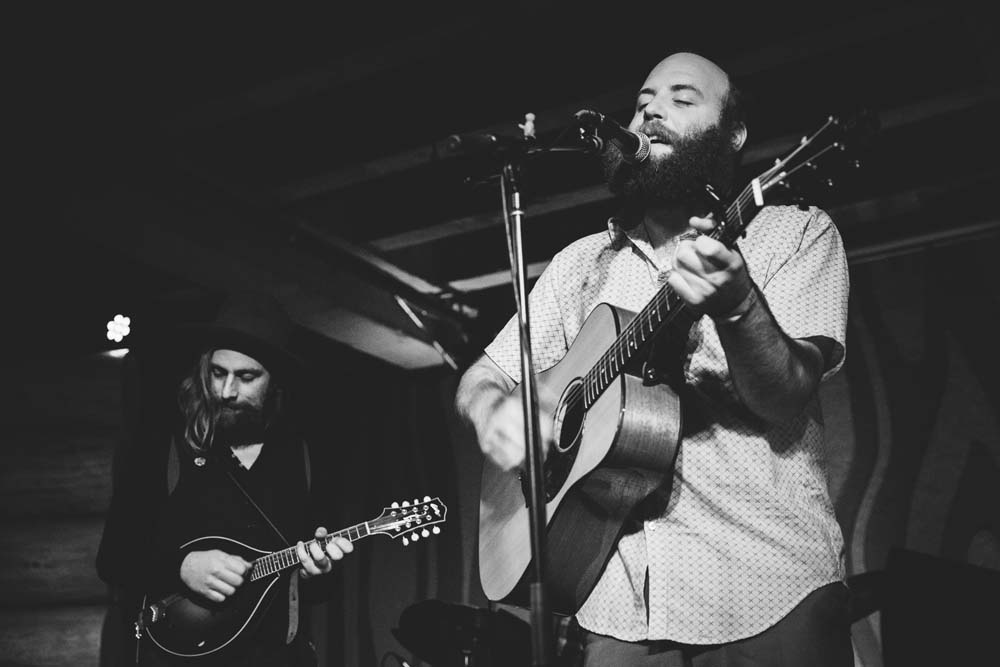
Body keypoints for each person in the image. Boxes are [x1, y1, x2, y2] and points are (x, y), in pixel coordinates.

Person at [455, 52, 853, 666]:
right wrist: (494, 415)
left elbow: (786, 394)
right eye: (643, 101)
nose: (651, 111)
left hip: (766, 588)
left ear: (733, 133)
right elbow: (484, 375)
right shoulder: (580, 263)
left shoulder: (793, 232)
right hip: (618, 608)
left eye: (682, 98)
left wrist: (740, 305)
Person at [97, 291, 352, 667]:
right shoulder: (164, 448)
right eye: (218, 373)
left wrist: (318, 571)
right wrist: (180, 567)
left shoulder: (304, 458)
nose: (226, 391)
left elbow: (321, 590)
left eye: (246, 377)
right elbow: (114, 559)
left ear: (274, 382)